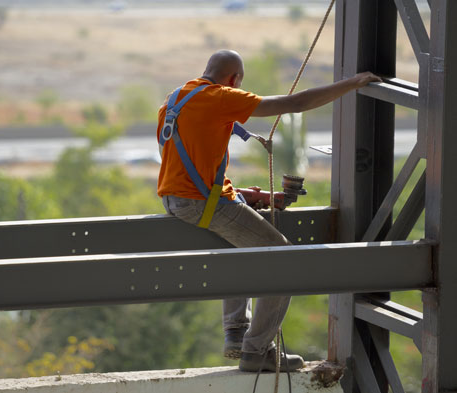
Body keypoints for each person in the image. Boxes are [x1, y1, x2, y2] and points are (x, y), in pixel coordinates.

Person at [157, 49, 381, 372]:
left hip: (174, 200)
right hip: (197, 204)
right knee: (283, 258)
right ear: (233, 80)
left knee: (241, 239)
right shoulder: (221, 97)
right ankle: (256, 351)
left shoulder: (174, 100)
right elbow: (295, 103)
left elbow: (185, 166)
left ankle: (236, 331)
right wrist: (353, 83)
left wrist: (251, 196)